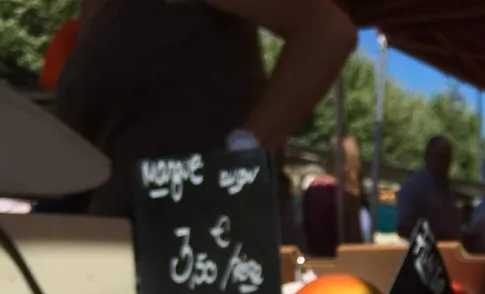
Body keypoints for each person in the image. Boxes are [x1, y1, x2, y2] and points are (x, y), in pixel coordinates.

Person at [52, 0, 356, 218]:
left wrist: (241, 153)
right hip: (115, 245)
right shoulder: (91, 13)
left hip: (218, 240)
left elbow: (326, 31)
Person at [301, 134, 366, 257]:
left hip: (313, 258)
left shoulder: (312, 189)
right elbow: (354, 241)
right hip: (339, 261)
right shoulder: (347, 195)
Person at [395, 136, 461, 240]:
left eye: (448, 158)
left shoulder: (449, 191)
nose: (444, 163)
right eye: (440, 157)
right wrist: (437, 234)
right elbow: (404, 229)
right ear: (427, 157)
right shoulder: (414, 187)